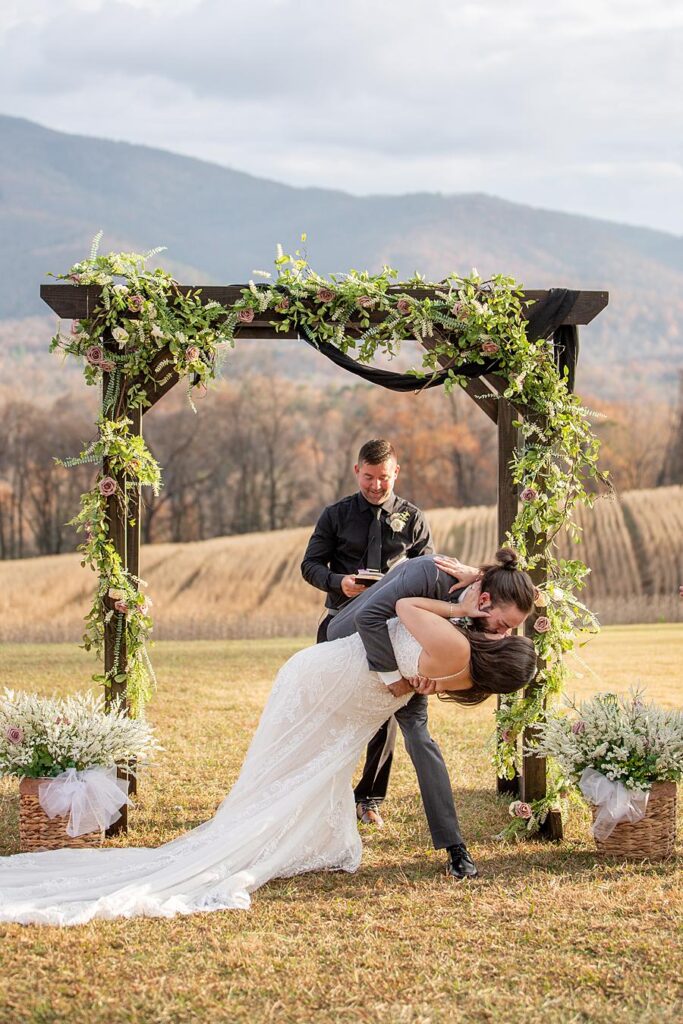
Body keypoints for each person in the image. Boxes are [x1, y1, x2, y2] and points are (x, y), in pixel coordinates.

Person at [0, 582, 536, 926]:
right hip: (332, 687)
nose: (504, 630)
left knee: (313, 769)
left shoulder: (458, 643)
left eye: (509, 633)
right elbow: (409, 646)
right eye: (508, 625)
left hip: (341, 688)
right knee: (299, 768)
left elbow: (402, 605)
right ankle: (262, 838)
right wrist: (466, 608)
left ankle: (293, 839)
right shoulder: (469, 676)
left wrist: (457, 607)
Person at [328, 548, 536, 879]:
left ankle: (455, 847)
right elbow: (367, 618)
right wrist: (394, 680)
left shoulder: (486, 598)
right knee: (336, 742)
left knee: (422, 743)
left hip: (410, 674)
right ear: (483, 601)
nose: (505, 634)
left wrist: (430, 683)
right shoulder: (428, 574)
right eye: (505, 625)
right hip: (351, 650)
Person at [301, 438, 433, 827]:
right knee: (332, 709)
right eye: (369, 477)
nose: (376, 486)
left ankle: (370, 797)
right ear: (357, 471)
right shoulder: (335, 514)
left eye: (384, 478)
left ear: (397, 474)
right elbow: (309, 565)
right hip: (340, 622)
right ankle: (326, 793)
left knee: (387, 712)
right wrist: (339, 582)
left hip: (392, 628)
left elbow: (427, 573)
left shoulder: (414, 518)